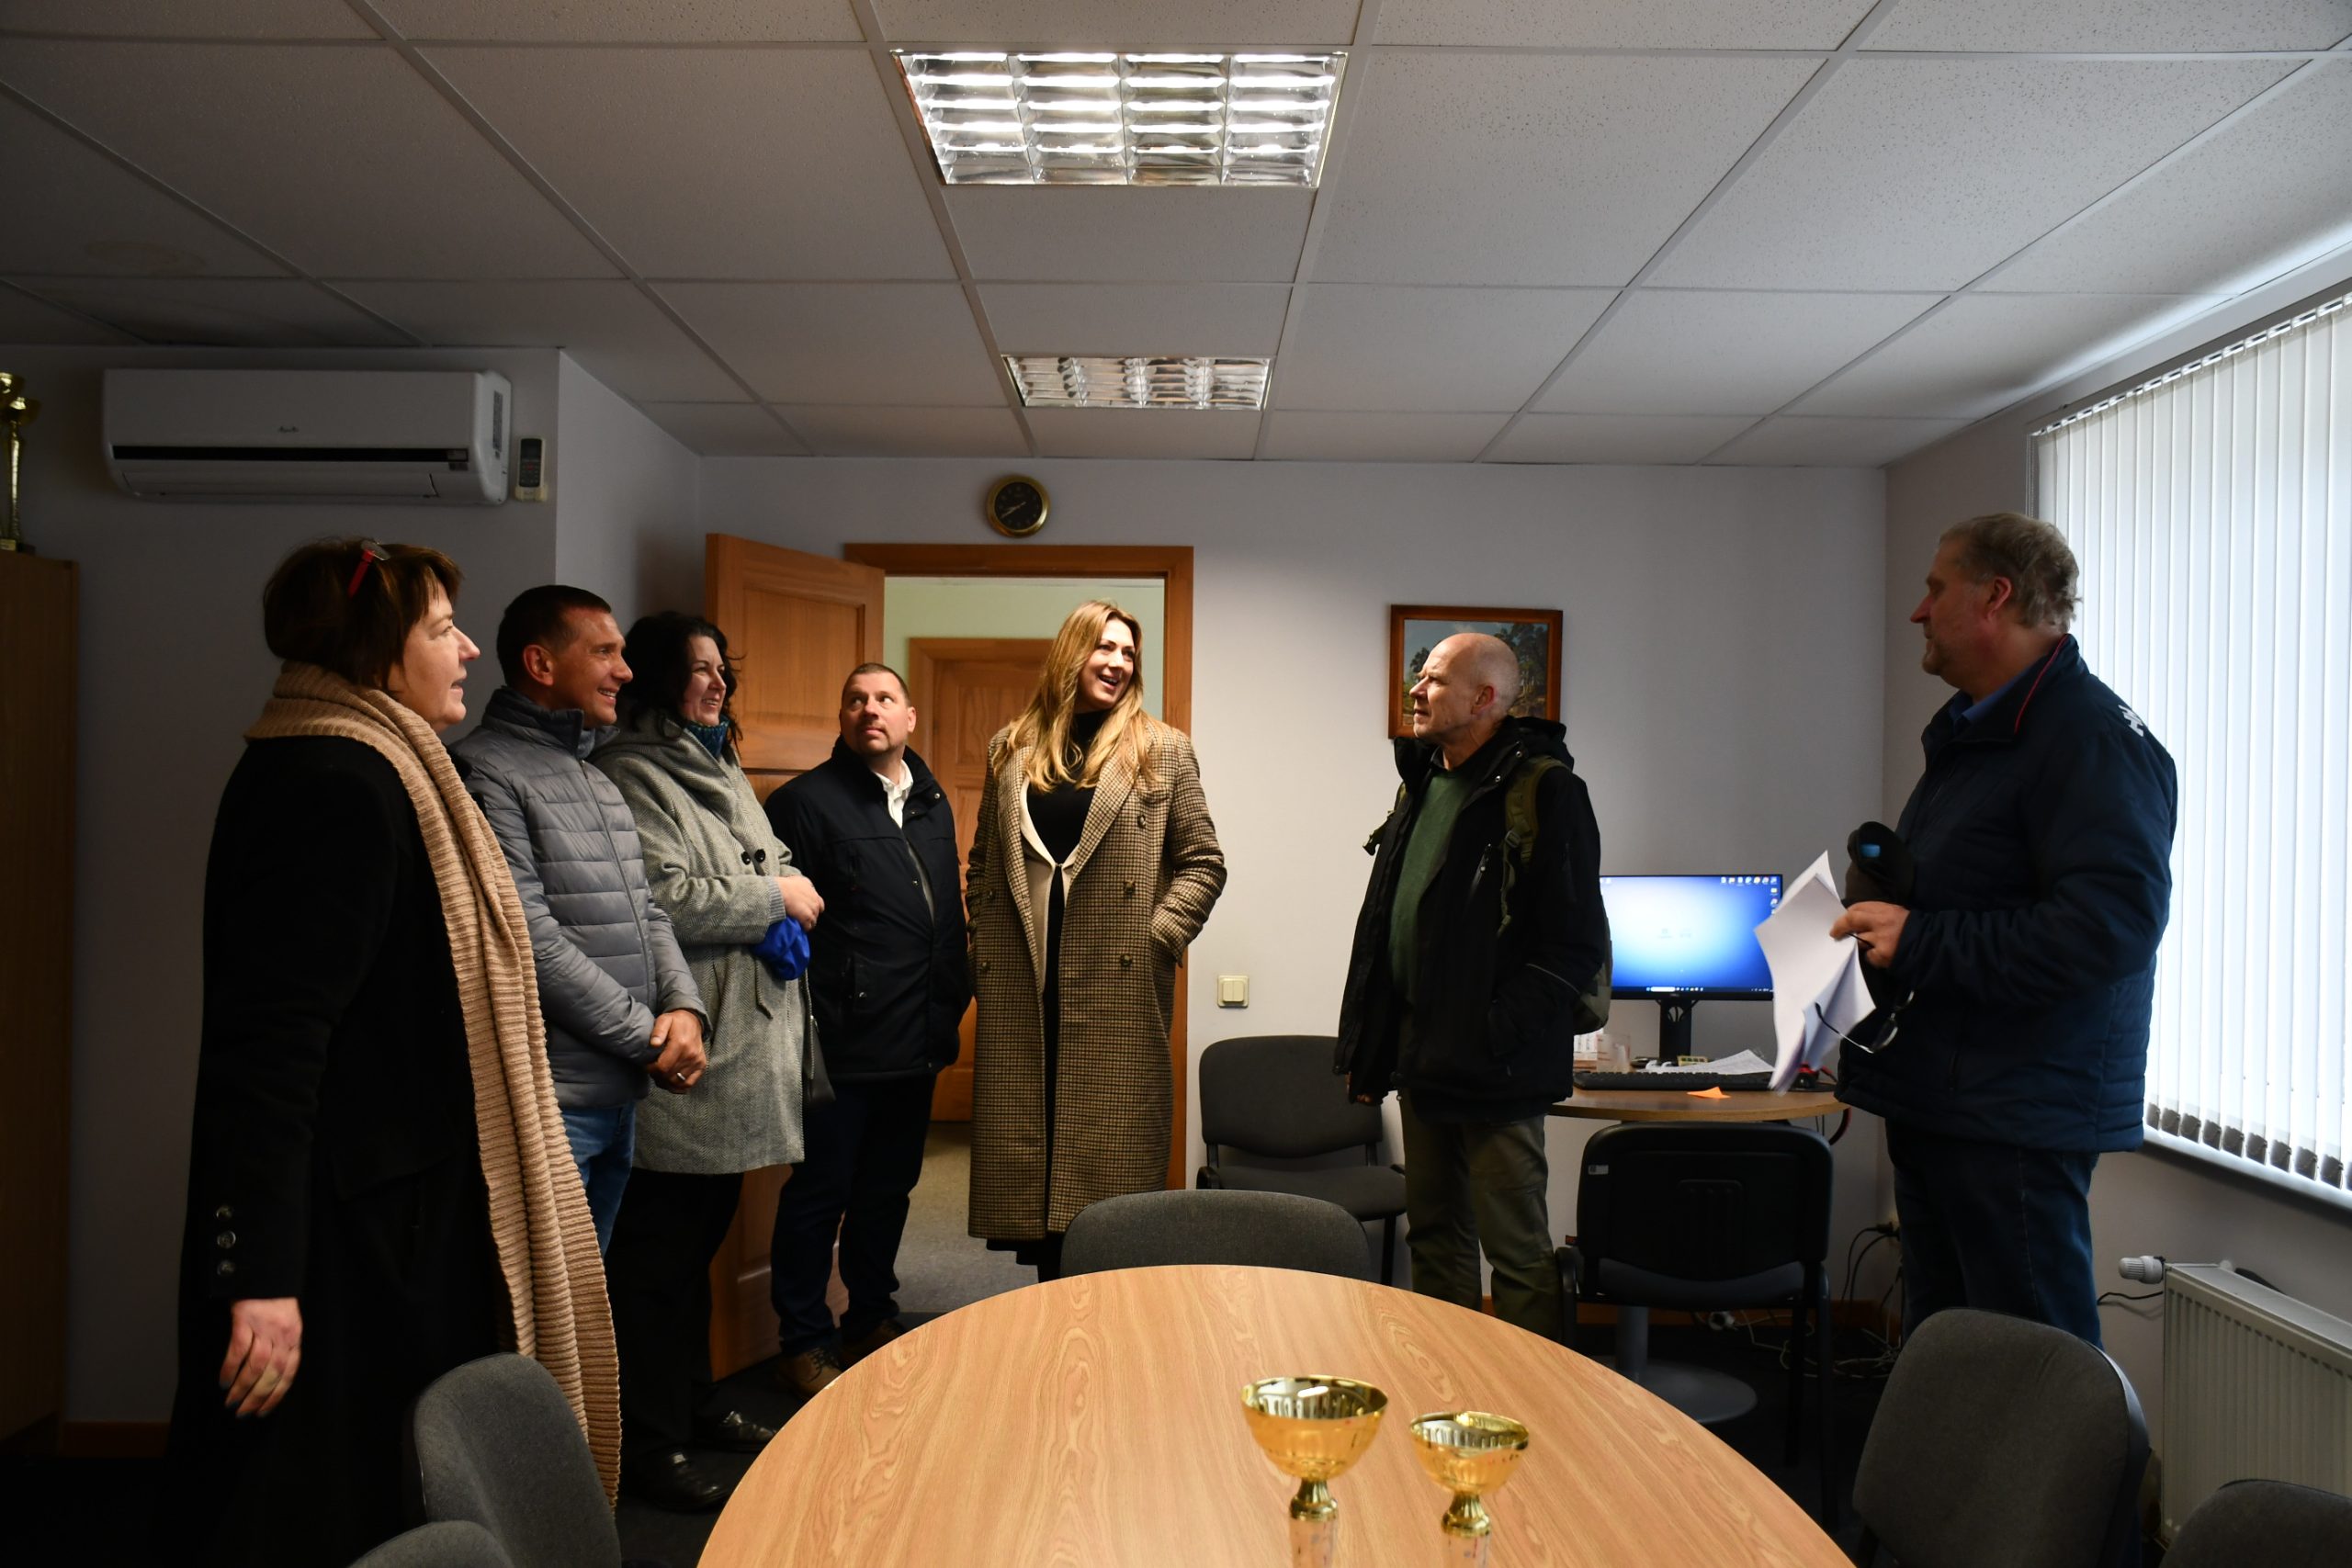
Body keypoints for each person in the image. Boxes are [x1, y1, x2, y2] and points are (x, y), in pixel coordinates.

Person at [163, 539, 617, 1567]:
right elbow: (268, 1052)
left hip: (395, 1215)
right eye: (441, 628)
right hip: (347, 1243)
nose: (467, 650)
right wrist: (260, 1278)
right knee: (320, 1503)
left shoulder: (376, 766)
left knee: (386, 1490)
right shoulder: (333, 781)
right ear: (376, 648)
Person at [1832, 513, 2177, 1345]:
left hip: (2014, 1116)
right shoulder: (1981, 731)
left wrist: (1920, 940)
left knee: (2030, 1372)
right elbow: (1976, 892)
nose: (1918, 610)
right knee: (1949, 1360)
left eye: (1935, 588)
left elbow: (2109, 928)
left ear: (1995, 596)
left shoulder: (2090, 738)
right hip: (1948, 1100)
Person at [593, 610, 821, 1510]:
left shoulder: (719, 758)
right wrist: (774, 896)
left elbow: (759, 857)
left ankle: (692, 1404)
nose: (717, 682)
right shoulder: (631, 770)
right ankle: (648, 1445)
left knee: (694, 1257)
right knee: (655, 1265)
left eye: (723, 667)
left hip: (744, 1043)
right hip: (689, 1051)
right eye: (697, 669)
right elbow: (663, 895)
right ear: (656, 677)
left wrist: (780, 882)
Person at [1337, 633, 1611, 1342]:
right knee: (1435, 1235)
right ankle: (1449, 1383)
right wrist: (1374, 1043)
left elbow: (1574, 944)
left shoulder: (1548, 791)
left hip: (1498, 1069)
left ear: (1484, 697)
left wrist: (1492, 1031)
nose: (1416, 690)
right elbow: (1390, 921)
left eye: (1433, 679)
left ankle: (1531, 1395)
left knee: (1515, 1250)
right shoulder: (1422, 781)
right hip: (1423, 1057)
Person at [966, 602, 1226, 1279]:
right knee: (1032, 1168)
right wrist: (981, 948)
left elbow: (1203, 862)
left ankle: (1104, 1313)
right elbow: (983, 863)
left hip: (1117, 985)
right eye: (1103, 647)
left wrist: (1157, 936)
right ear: (1070, 652)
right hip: (1024, 984)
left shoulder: (1162, 748)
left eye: (1128, 652)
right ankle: (1053, 1310)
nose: (1117, 663)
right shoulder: (1010, 747)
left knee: (1109, 1184)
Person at [448, 586, 707, 1252]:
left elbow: (648, 910)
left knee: (590, 1299)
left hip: (617, 1095)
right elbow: (527, 941)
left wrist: (684, 1006)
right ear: (541, 663)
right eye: (604, 652)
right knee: (541, 1303)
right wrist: (649, 1038)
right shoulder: (483, 771)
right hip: (550, 1100)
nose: (625, 670)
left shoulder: (595, 778)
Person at [765, 663, 970, 1397]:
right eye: (855, 699)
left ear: (909, 716)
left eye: (884, 698)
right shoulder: (804, 803)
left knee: (889, 1189)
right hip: (844, 1041)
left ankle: (870, 1316)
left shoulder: (931, 798)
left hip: (919, 1034)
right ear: (843, 717)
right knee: (820, 1193)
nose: (869, 709)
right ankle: (803, 1339)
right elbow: (784, 925)